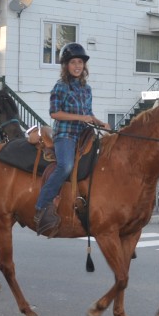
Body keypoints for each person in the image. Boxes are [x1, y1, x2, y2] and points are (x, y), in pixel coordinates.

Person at [33, 42, 109, 236]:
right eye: (73, 62)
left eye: (80, 62)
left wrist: (100, 123)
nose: (77, 66)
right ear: (66, 66)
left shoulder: (87, 88)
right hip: (65, 135)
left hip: (84, 134)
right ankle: (42, 204)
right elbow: (55, 113)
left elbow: (88, 113)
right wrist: (80, 118)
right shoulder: (60, 87)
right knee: (65, 166)